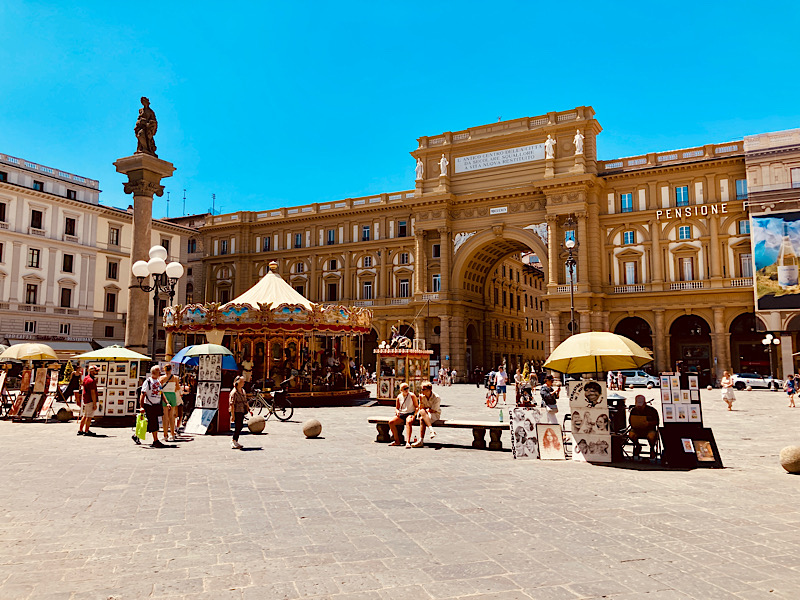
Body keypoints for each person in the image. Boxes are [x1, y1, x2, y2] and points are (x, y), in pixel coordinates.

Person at [138, 365, 166, 448]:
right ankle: (155, 440)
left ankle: (136, 435)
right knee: (154, 422)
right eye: (158, 371)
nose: (160, 373)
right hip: (149, 405)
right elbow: (143, 394)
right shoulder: (148, 381)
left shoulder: (158, 381)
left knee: (150, 422)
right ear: (154, 372)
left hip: (156, 405)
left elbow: (161, 393)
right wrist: (141, 406)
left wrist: (166, 402)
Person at [628, 394, 660, 459]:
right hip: (637, 429)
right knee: (631, 434)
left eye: (641, 406)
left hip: (649, 430)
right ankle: (637, 446)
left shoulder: (652, 411)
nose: (639, 408)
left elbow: (657, 422)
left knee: (651, 436)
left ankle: (652, 448)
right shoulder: (633, 410)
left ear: (645, 403)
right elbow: (630, 421)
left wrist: (649, 423)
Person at [388, 382, 418, 449]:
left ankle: (408, 442)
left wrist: (414, 415)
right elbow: (397, 408)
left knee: (408, 422)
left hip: (410, 413)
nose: (406, 390)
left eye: (407, 388)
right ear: (401, 390)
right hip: (402, 413)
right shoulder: (399, 397)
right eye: (405, 389)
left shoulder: (412, 396)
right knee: (391, 422)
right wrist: (397, 412)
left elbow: (417, 407)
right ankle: (397, 440)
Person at [412, 381, 441, 448]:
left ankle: (421, 440)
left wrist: (426, 410)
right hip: (424, 413)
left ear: (429, 390)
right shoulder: (422, 397)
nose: (421, 391)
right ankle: (431, 430)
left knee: (422, 419)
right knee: (422, 413)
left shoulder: (436, 397)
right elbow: (421, 408)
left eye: (423, 389)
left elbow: (433, 410)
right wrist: (421, 401)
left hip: (434, 414)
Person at [160, 364, 180, 442]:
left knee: (165, 417)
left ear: (164, 369)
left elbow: (159, 388)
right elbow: (177, 387)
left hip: (165, 396)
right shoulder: (175, 378)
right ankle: (172, 434)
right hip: (172, 395)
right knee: (172, 416)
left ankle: (165, 435)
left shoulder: (162, 378)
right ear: (171, 369)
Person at [229, 375, 250, 449]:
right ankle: (233, 440)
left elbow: (245, 401)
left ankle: (235, 440)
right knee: (238, 426)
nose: (243, 383)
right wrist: (232, 415)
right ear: (238, 383)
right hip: (236, 411)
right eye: (242, 382)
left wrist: (248, 408)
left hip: (242, 410)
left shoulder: (242, 391)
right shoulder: (234, 392)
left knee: (240, 426)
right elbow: (232, 404)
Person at [78, 365, 99, 437]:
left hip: (86, 399)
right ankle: (86, 430)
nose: (97, 372)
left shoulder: (86, 378)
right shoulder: (91, 381)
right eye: (96, 371)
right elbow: (93, 392)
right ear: (92, 371)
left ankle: (80, 430)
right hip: (90, 400)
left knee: (85, 415)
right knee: (89, 416)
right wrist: (94, 403)